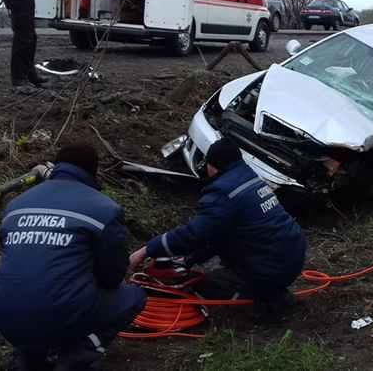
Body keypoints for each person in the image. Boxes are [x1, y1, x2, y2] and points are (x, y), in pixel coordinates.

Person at [0, 143, 146, 371]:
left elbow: (16, 256)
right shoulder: (103, 208)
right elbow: (112, 276)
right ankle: (78, 356)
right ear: (92, 171)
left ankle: (29, 356)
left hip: (1, 312)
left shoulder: (15, 205)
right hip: (59, 313)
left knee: (39, 297)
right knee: (133, 297)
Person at [128, 138, 307, 324]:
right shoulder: (250, 178)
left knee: (208, 285)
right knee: (241, 261)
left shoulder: (223, 193)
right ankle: (273, 293)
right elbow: (220, 235)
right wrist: (190, 259)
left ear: (213, 166)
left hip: (271, 266)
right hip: (292, 256)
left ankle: (257, 305)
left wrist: (146, 250)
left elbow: (193, 235)